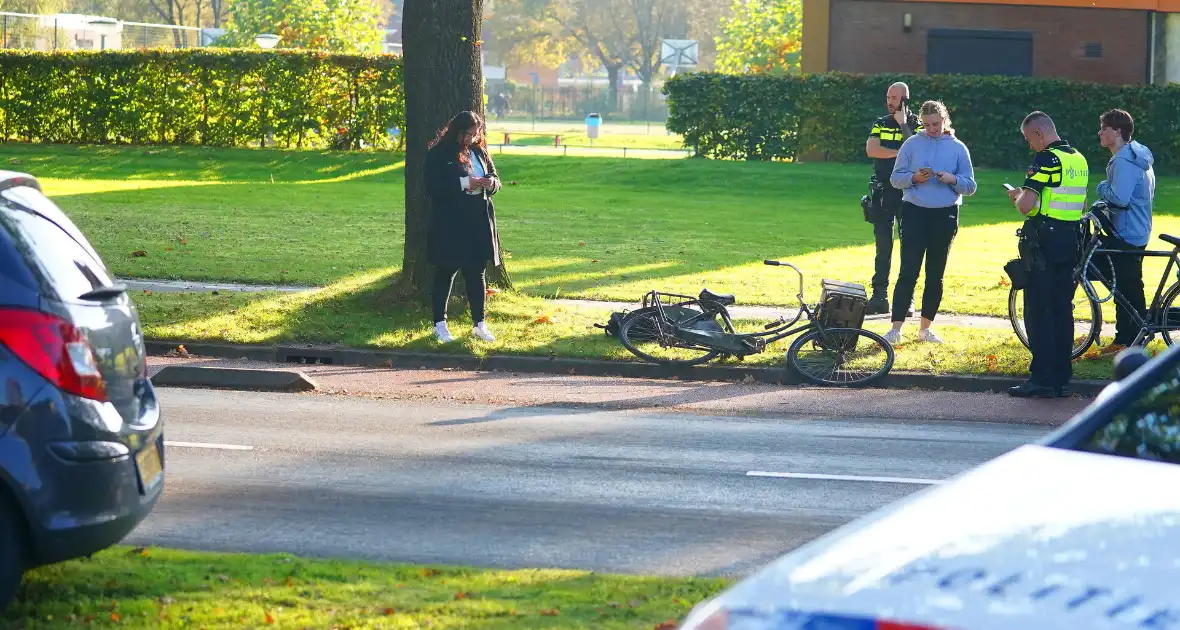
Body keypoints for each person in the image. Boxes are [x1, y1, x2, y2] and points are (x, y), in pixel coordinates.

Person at [1006, 111, 1089, 398]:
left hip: (1044, 243)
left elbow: (1026, 206)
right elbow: (1078, 203)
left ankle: (1041, 378)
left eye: (1029, 139)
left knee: (1040, 313)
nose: (1030, 145)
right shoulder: (1077, 158)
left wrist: (1018, 195)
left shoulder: (1046, 159)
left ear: (1040, 133)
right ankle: (1062, 378)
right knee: (1062, 311)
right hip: (1070, 241)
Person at [886, 100, 977, 346]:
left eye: (936, 124)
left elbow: (970, 186)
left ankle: (925, 329)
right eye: (927, 125)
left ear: (944, 120)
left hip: (945, 214)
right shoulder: (912, 144)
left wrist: (951, 179)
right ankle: (896, 328)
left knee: (935, 273)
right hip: (914, 212)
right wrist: (914, 178)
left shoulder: (958, 148)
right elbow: (895, 178)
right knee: (908, 270)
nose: (932, 129)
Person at [424, 110, 504, 344]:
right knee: (446, 271)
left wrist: (490, 183)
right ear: (457, 131)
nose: (471, 138)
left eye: (475, 134)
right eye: (468, 134)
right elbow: (432, 186)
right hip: (450, 221)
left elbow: (496, 180)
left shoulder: (479, 152)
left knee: (476, 272)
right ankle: (439, 324)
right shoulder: (439, 153)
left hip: (478, 219)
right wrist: (463, 183)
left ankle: (479, 323)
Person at [1094, 108, 1155, 354]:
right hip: (1139, 229)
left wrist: (1101, 188)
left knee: (1122, 286)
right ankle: (1132, 337)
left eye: (1104, 128)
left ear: (1117, 132)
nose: (1100, 133)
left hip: (1126, 232)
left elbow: (1120, 198)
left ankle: (1127, 339)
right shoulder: (1137, 154)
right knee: (1129, 285)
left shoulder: (1122, 159)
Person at [864, 82, 921, 316]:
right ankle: (879, 297)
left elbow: (916, 152)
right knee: (882, 246)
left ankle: (906, 299)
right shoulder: (880, 123)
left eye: (895, 97)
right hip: (883, 192)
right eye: (888, 96)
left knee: (909, 247)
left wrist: (903, 124)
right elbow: (871, 149)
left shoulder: (917, 125)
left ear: (905, 100)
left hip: (908, 193)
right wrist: (899, 154)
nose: (890, 101)